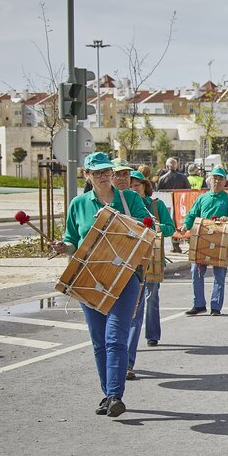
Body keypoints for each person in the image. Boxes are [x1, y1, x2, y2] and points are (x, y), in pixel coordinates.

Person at [51, 152, 152, 418]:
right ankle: (107, 394)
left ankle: (116, 395)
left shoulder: (130, 199)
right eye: (97, 173)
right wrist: (63, 246)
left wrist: (114, 220)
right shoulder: (78, 204)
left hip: (125, 276)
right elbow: (72, 240)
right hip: (89, 278)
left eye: (107, 171)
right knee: (98, 341)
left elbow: (146, 227)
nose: (104, 176)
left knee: (115, 337)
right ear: (87, 175)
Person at [126, 170, 175, 378]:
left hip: (153, 259)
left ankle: (152, 334)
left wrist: (155, 226)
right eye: (130, 185)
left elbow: (170, 228)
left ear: (145, 186)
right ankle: (127, 357)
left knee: (151, 297)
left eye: (136, 185)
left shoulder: (156, 205)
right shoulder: (125, 204)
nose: (133, 189)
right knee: (134, 307)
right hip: (133, 261)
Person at [182, 166, 228, 316]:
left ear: (225, 182)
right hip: (202, 240)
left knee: (219, 275)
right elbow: (191, 215)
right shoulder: (202, 198)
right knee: (196, 272)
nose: (216, 181)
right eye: (214, 178)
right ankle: (199, 304)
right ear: (210, 180)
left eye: (220, 178)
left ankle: (216, 306)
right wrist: (186, 225)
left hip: (221, 241)